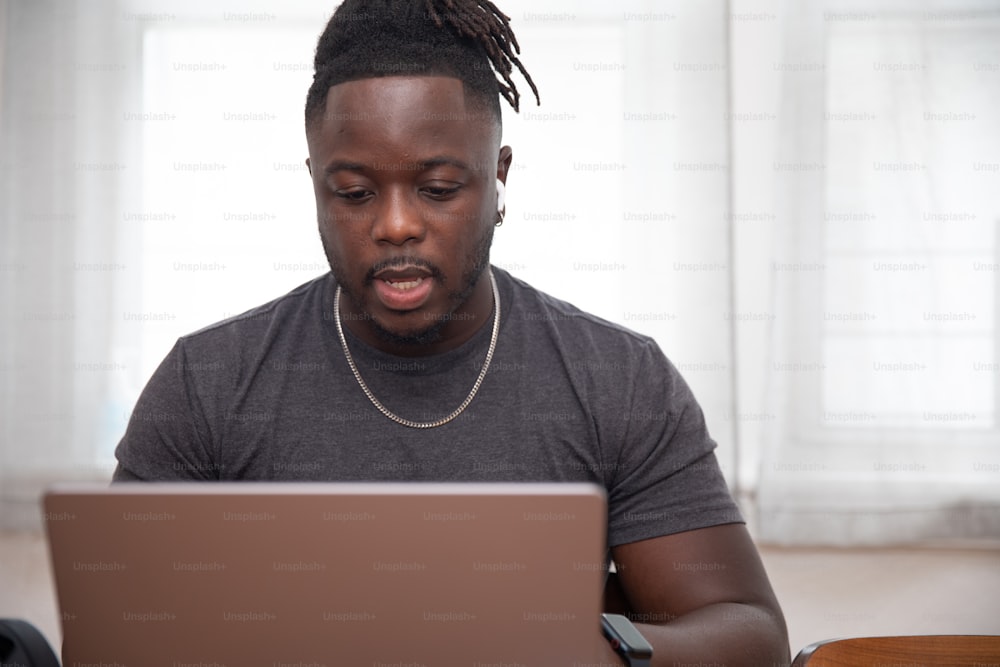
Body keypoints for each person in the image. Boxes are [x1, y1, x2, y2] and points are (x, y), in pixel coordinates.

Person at [113, 1, 790, 664]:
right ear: (316, 186)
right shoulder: (205, 384)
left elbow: (750, 632)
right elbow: (115, 632)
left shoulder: (618, 380)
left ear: (498, 178)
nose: (397, 224)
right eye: (354, 192)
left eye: (437, 188)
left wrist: (592, 654)